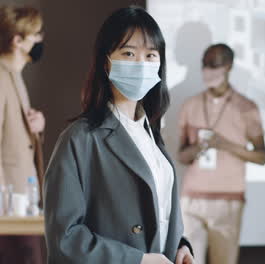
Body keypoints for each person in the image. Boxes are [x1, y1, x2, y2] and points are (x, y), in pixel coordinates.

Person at [44, 6, 193, 264]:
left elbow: (160, 213)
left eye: (150, 55)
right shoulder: (80, 139)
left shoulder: (151, 134)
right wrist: (138, 260)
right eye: (128, 53)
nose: (141, 64)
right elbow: (64, 238)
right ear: (106, 62)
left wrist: (180, 246)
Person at [177, 43, 265, 264]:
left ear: (228, 66)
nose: (208, 69)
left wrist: (224, 145)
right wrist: (198, 148)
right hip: (191, 200)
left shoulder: (246, 107)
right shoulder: (190, 105)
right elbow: (181, 155)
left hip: (228, 200)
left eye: (213, 64)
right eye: (205, 64)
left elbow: (262, 157)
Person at [0, 5, 46, 264]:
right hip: (9, 209)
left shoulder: (15, 75)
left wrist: (37, 128)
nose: (40, 40)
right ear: (18, 40)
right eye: (36, 34)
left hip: (22, 202)